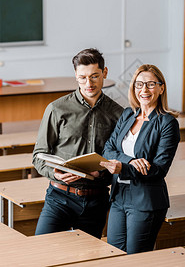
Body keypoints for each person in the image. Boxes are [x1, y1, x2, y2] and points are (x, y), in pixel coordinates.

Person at [32, 48, 123, 238]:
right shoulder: (56, 109)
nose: (88, 83)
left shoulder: (118, 114)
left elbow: (119, 159)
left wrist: (102, 174)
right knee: (42, 251)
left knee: (88, 260)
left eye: (94, 76)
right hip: (59, 197)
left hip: (96, 199)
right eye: (82, 77)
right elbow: (38, 156)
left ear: (105, 73)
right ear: (75, 75)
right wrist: (54, 173)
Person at [100, 64, 180, 254]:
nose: (144, 90)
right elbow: (108, 150)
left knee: (136, 259)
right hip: (119, 195)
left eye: (151, 84)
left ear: (161, 88)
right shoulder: (128, 114)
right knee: (115, 253)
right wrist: (130, 161)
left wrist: (123, 168)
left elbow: (159, 169)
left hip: (145, 199)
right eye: (139, 84)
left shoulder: (167, 123)